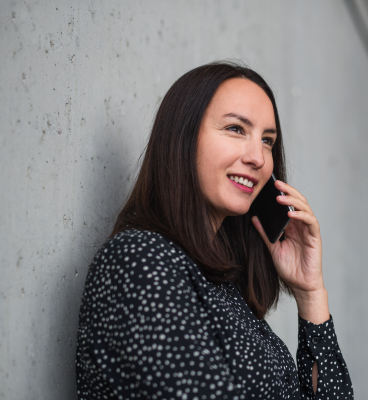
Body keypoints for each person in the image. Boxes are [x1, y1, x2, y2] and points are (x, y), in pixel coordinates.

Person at [75, 62, 353, 399]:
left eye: (267, 140)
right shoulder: (141, 262)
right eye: (236, 129)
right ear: (183, 138)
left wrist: (310, 293)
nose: (259, 158)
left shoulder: (220, 283)